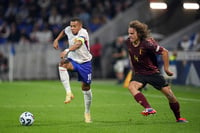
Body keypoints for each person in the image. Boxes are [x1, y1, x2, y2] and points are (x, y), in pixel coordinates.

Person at [125, 20, 188, 123]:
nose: (130, 36)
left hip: (153, 73)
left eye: (132, 33)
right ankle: (148, 108)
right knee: (131, 86)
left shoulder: (147, 44)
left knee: (170, 95)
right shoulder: (128, 42)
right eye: (129, 33)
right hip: (140, 74)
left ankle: (179, 118)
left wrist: (166, 69)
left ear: (139, 34)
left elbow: (165, 52)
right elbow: (132, 53)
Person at [53, 18, 92, 123]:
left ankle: (87, 112)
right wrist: (56, 39)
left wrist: (66, 50)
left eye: (75, 26)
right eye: (71, 26)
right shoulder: (68, 29)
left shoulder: (83, 32)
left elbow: (78, 44)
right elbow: (63, 31)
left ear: (80, 26)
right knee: (62, 64)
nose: (72, 28)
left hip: (85, 63)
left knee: (86, 88)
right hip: (73, 60)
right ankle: (69, 93)